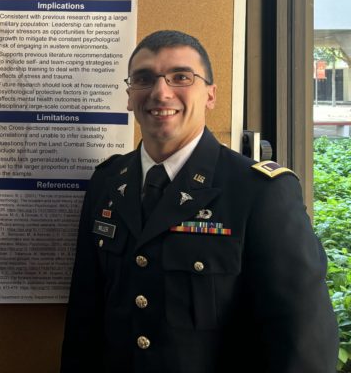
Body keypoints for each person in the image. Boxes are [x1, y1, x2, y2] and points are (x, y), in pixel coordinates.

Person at [61, 29, 338, 372]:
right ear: (130, 96)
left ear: (210, 95)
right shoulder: (106, 183)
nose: (161, 92)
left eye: (181, 77)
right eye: (144, 78)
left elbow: (303, 342)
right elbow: (83, 322)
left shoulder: (260, 192)